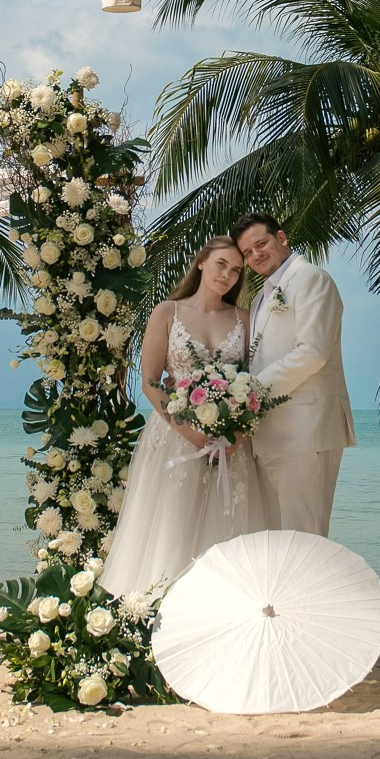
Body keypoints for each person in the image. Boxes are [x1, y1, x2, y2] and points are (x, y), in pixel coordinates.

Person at [98, 236, 271, 599]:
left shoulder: (244, 319)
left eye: (236, 270)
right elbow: (150, 382)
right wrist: (188, 431)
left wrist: (235, 435)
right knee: (170, 531)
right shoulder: (167, 313)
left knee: (225, 530)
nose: (227, 275)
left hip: (230, 444)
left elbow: (253, 384)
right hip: (174, 439)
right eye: (221, 264)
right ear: (202, 262)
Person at [232, 211, 354, 536]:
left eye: (261, 244)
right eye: (247, 252)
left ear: (281, 238)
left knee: (305, 540)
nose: (256, 255)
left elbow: (312, 352)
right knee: (278, 545)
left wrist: (248, 392)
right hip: (268, 437)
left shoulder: (312, 279)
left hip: (305, 433)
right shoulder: (260, 297)